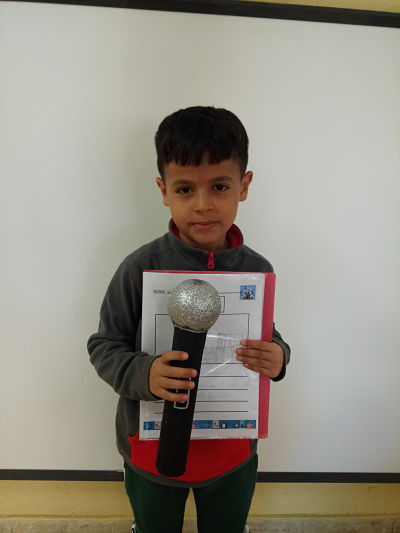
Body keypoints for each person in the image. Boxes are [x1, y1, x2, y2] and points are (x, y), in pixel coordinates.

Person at [87, 106, 291, 533]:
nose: (203, 205)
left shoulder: (257, 270)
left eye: (219, 186)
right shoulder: (139, 267)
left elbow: (265, 334)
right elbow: (105, 345)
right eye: (184, 189)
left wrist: (278, 356)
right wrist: (144, 373)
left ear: (244, 186)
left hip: (231, 452)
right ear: (163, 190)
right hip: (151, 454)